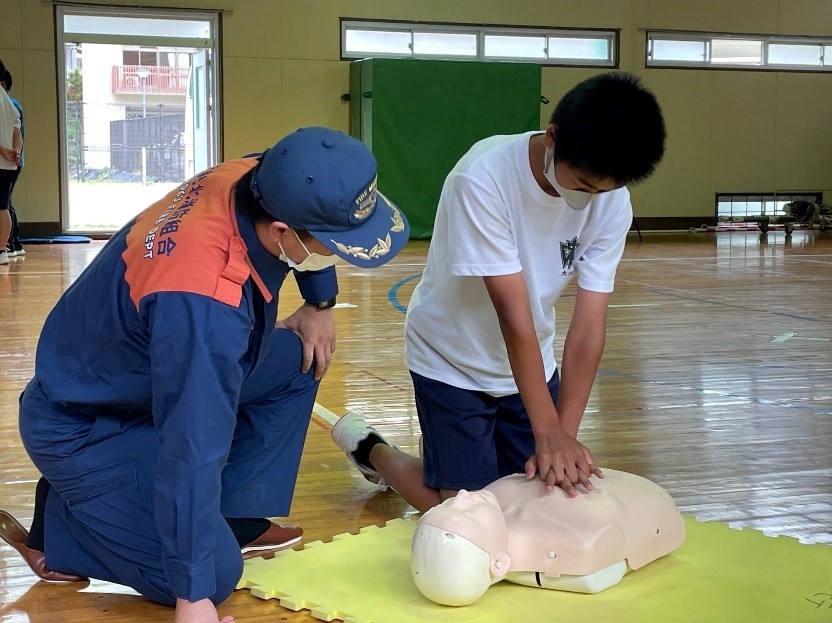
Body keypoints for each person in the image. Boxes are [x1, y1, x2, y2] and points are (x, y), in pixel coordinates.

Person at [0, 127, 409, 623]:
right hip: (83, 422)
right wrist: (192, 600)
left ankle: (232, 519)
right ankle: (61, 525)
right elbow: (192, 443)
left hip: (140, 380)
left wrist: (320, 302)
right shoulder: (202, 304)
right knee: (210, 577)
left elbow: (297, 192)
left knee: (302, 356)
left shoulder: (259, 174)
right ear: (282, 231)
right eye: (333, 244)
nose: (338, 252)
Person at [333, 72, 666, 511]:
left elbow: (589, 326)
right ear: (552, 138)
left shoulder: (610, 199)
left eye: (605, 191)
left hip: (531, 365)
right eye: (583, 187)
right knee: (467, 514)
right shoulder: (484, 178)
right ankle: (372, 449)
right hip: (452, 361)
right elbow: (514, 316)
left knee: (538, 502)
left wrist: (563, 435)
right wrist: (546, 433)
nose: (588, 201)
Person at [411, 469, 686, 606]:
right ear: (499, 564)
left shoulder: (493, 497)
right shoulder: (570, 539)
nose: (461, 496)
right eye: (468, 514)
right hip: (642, 500)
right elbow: (594, 572)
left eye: (445, 507)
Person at [0, 58, 22, 265]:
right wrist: (14, 152)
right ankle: (2, 251)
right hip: (8, 164)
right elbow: (17, 132)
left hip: (2, 159)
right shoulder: (8, 101)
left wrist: (3, 151)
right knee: (3, 207)